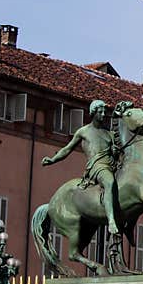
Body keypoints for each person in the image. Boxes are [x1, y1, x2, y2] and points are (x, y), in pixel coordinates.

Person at [41, 100, 120, 235]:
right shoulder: (83, 132)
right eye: (100, 112)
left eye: (104, 112)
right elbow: (67, 149)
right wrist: (53, 159)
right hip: (97, 167)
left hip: (112, 165)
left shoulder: (109, 133)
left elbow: (116, 153)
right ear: (93, 113)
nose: (103, 114)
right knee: (109, 182)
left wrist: (115, 151)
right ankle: (111, 221)